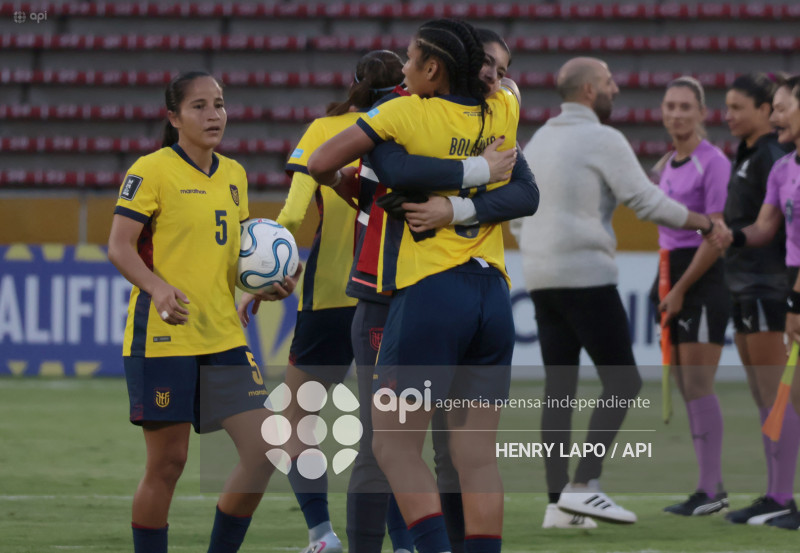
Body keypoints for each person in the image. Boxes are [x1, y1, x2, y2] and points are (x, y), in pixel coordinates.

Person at [308, 18, 522, 553]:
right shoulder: (503, 109)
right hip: (493, 297)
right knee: (475, 457)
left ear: (432, 69)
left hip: (430, 294)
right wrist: (476, 170)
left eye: (409, 58)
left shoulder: (404, 112)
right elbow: (522, 178)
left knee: (393, 447)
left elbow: (320, 162)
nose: (401, 68)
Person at [512, 57, 718, 526]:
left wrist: (540, 250)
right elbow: (645, 202)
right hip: (586, 275)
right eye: (608, 82)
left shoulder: (540, 138)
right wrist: (705, 222)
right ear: (588, 91)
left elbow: (520, 213)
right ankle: (584, 484)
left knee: (559, 390)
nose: (616, 89)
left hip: (540, 276)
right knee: (624, 380)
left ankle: (556, 506)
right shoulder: (602, 138)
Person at [107, 71, 299, 553]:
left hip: (224, 337)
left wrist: (263, 286)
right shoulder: (151, 170)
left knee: (267, 450)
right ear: (173, 117)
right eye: (199, 106)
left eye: (219, 104)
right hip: (164, 338)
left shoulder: (235, 176)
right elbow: (119, 247)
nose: (214, 115)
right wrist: (157, 288)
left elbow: (230, 261)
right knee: (167, 465)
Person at [239, 49, 407, 553]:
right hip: (390, 294)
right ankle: (404, 543)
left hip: (331, 297)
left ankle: (322, 533)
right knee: (392, 434)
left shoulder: (323, 130)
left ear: (352, 82)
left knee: (293, 419)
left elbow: (291, 217)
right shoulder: (409, 124)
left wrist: (263, 279)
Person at [713, 74, 800, 530]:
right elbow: (765, 225)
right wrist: (732, 235)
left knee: (781, 398)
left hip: (777, 289)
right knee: (768, 398)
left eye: (783, 106)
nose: (777, 114)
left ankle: (783, 497)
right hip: (759, 286)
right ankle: (777, 495)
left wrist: (796, 301)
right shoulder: (780, 166)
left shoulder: (770, 155)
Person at [649, 76, 732, 516]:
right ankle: (706, 486)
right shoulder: (666, 163)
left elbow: (715, 236)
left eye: (685, 106)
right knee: (686, 386)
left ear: (702, 113)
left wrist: (680, 289)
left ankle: (711, 488)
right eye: (670, 106)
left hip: (702, 278)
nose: (676, 114)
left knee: (699, 385)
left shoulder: (712, 162)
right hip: (672, 273)